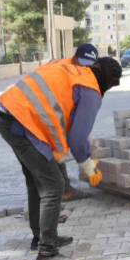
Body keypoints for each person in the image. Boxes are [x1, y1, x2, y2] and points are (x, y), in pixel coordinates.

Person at [0, 56, 122, 260]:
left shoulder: (74, 69)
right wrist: (89, 166)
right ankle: (47, 253)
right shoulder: (90, 90)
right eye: (111, 83)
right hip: (21, 125)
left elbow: (62, 111)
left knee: (38, 181)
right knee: (54, 185)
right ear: (103, 76)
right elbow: (76, 140)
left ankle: (41, 237)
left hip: (8, 114)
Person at [46, 44, 100, 204]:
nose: (83, 67)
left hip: (49, 111)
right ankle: (54, 197)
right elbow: (75, 140)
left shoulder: (76, 74)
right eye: (81, 62)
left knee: (57, 148)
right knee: (48, 154)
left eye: (88, 65)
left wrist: (79, 127)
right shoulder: (63, 69)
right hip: (37, 112)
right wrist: (88, 165)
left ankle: (66, 191)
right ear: (74, 57)